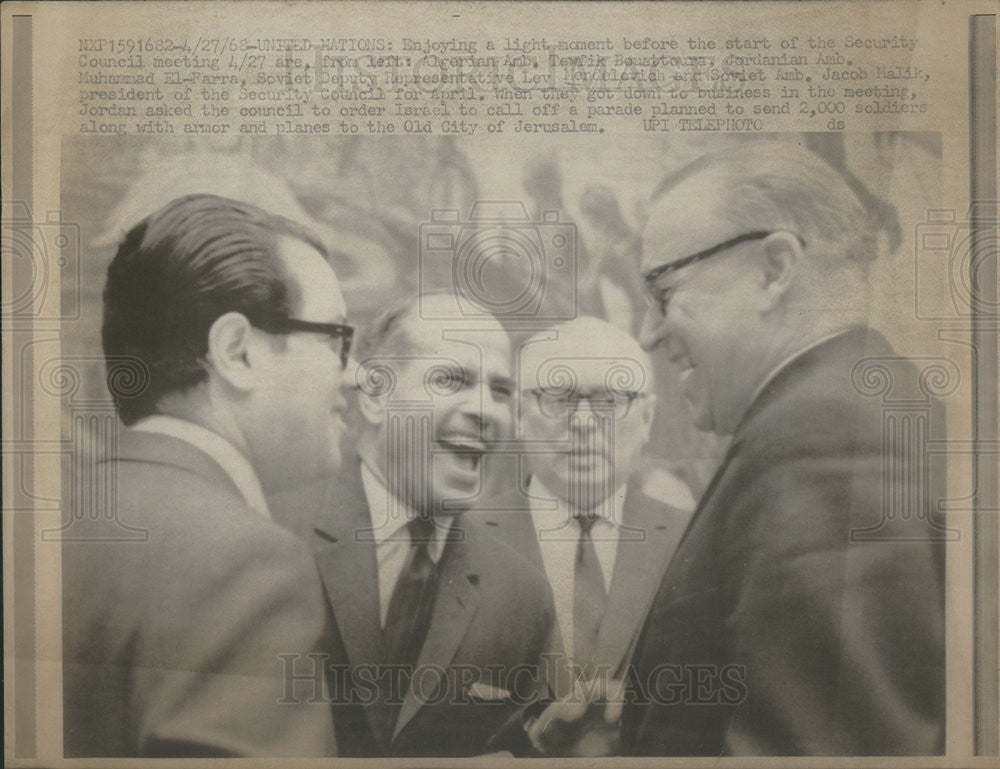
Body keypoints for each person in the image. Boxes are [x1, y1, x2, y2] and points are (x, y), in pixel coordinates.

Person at [621, 142, 946, 755]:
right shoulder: (849, 404)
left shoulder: (823, 437)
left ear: (774, 269)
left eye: (663, 292)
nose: (647, 334)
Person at [62, 194, 351, 757]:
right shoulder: (245, 561)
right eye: (338, 338)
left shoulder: (51, 526)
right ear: (236, 352)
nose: (356, 374)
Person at [272, 292, 555, 757]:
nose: (485, 410)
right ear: (375, 398)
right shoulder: (271, 532)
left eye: (501, 391)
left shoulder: (522, 596)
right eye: (451, 379)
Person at [475, 315, 694, 756]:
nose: (583, 422)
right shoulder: (457, 539)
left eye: (611, 399)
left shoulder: (693, 540)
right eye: (557, 398)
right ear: (518, 413)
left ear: (648, 417)